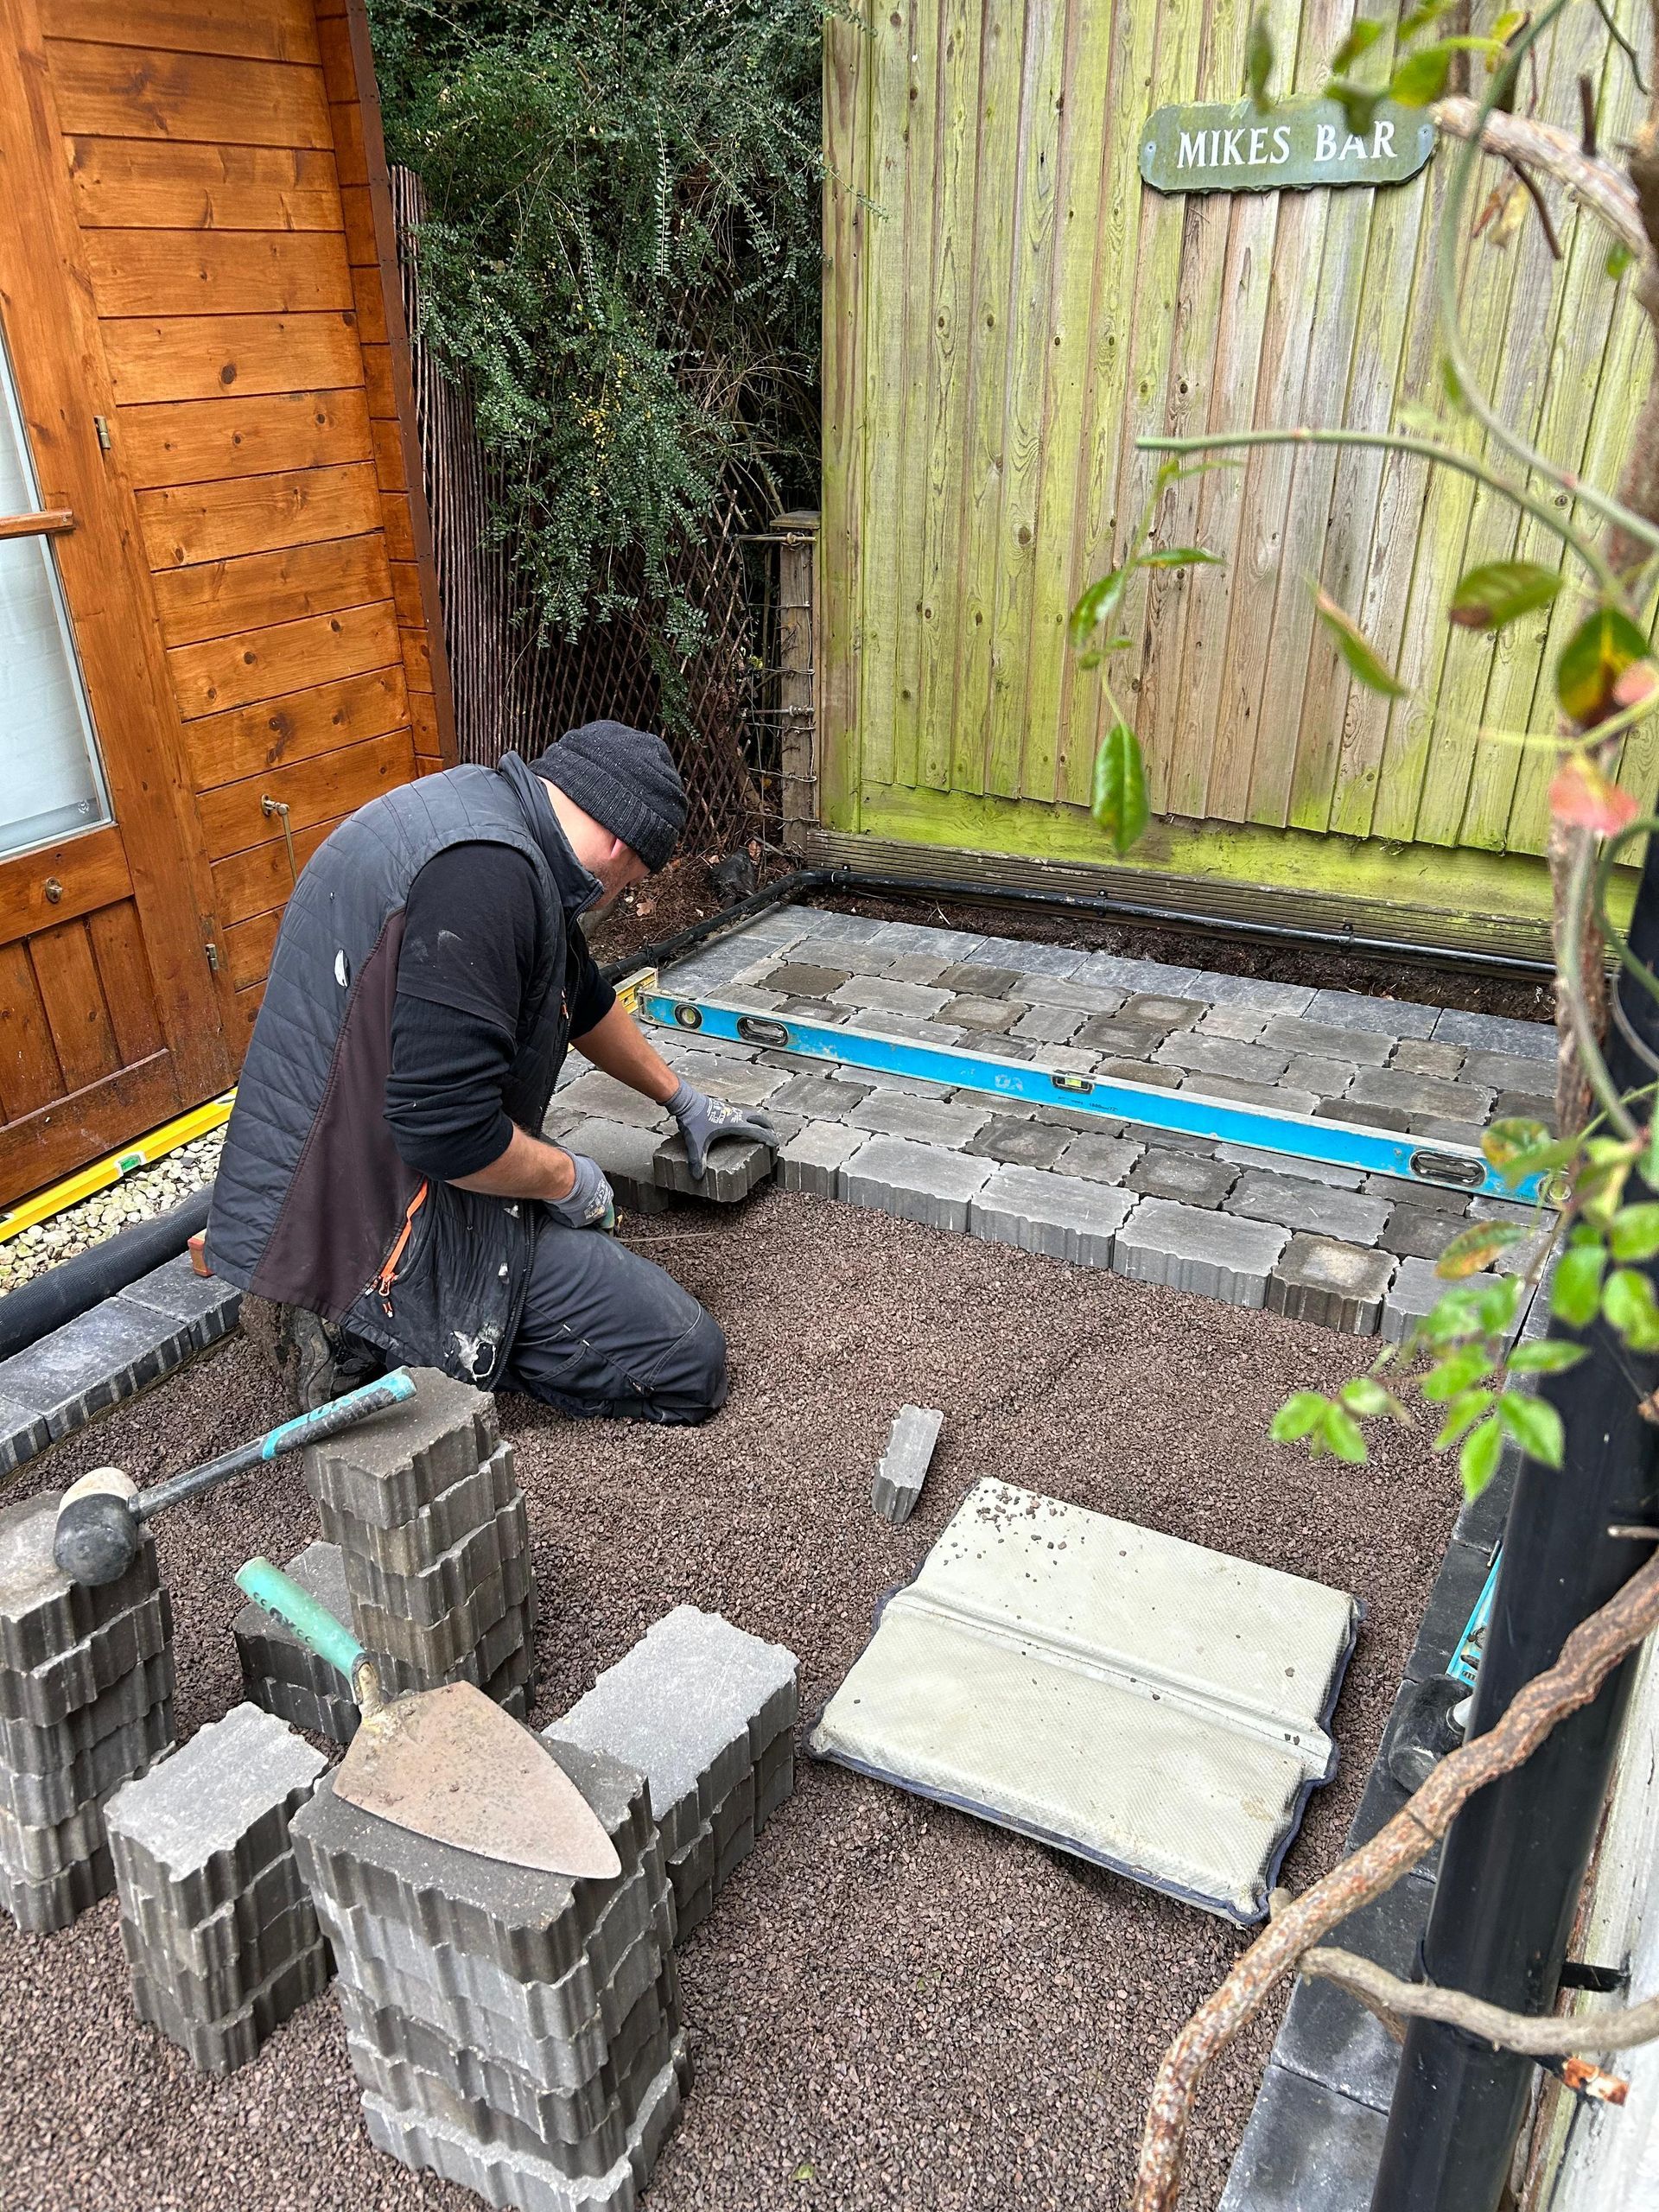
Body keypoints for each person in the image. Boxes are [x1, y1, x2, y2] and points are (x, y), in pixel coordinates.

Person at [206, 724, 777, 1421]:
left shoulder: (492, 821)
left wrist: (681, 1098)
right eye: (633, 883)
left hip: (341, 1173)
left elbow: (580, 995)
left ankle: (333, 1298)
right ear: (622, 845)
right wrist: (569, 1179)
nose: (623, 896)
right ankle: (359, 1328)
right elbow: (449, 1135)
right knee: (686, 1359)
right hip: (383, 1221)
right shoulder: (487, 878)